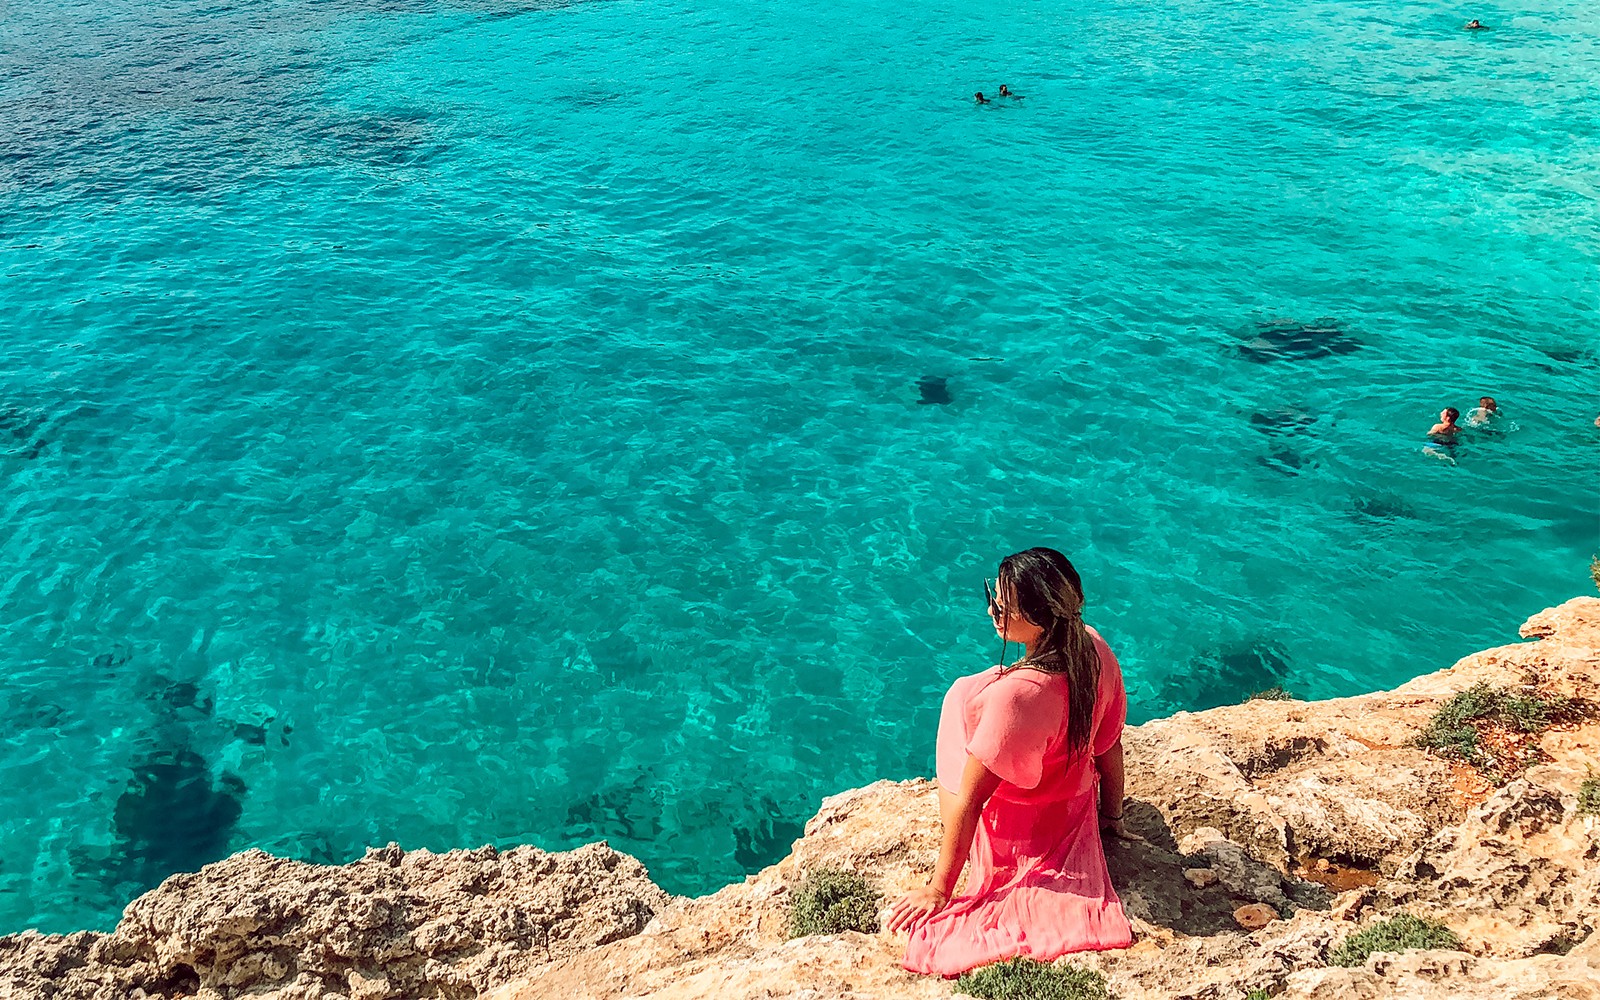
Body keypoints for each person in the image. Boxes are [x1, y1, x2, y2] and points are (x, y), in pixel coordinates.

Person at [888, 547, 1137, 977]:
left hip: (1024, 827)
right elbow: (1108, 746)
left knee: (956, 705)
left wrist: (938, 888)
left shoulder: (1018, 699)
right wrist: (1110, 816)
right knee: (968, 689)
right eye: (992, 595)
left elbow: (971, 801)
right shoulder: (1093, 646)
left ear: (1040, 618)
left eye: (1002, 605)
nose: (991, 609)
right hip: (1071, 805)